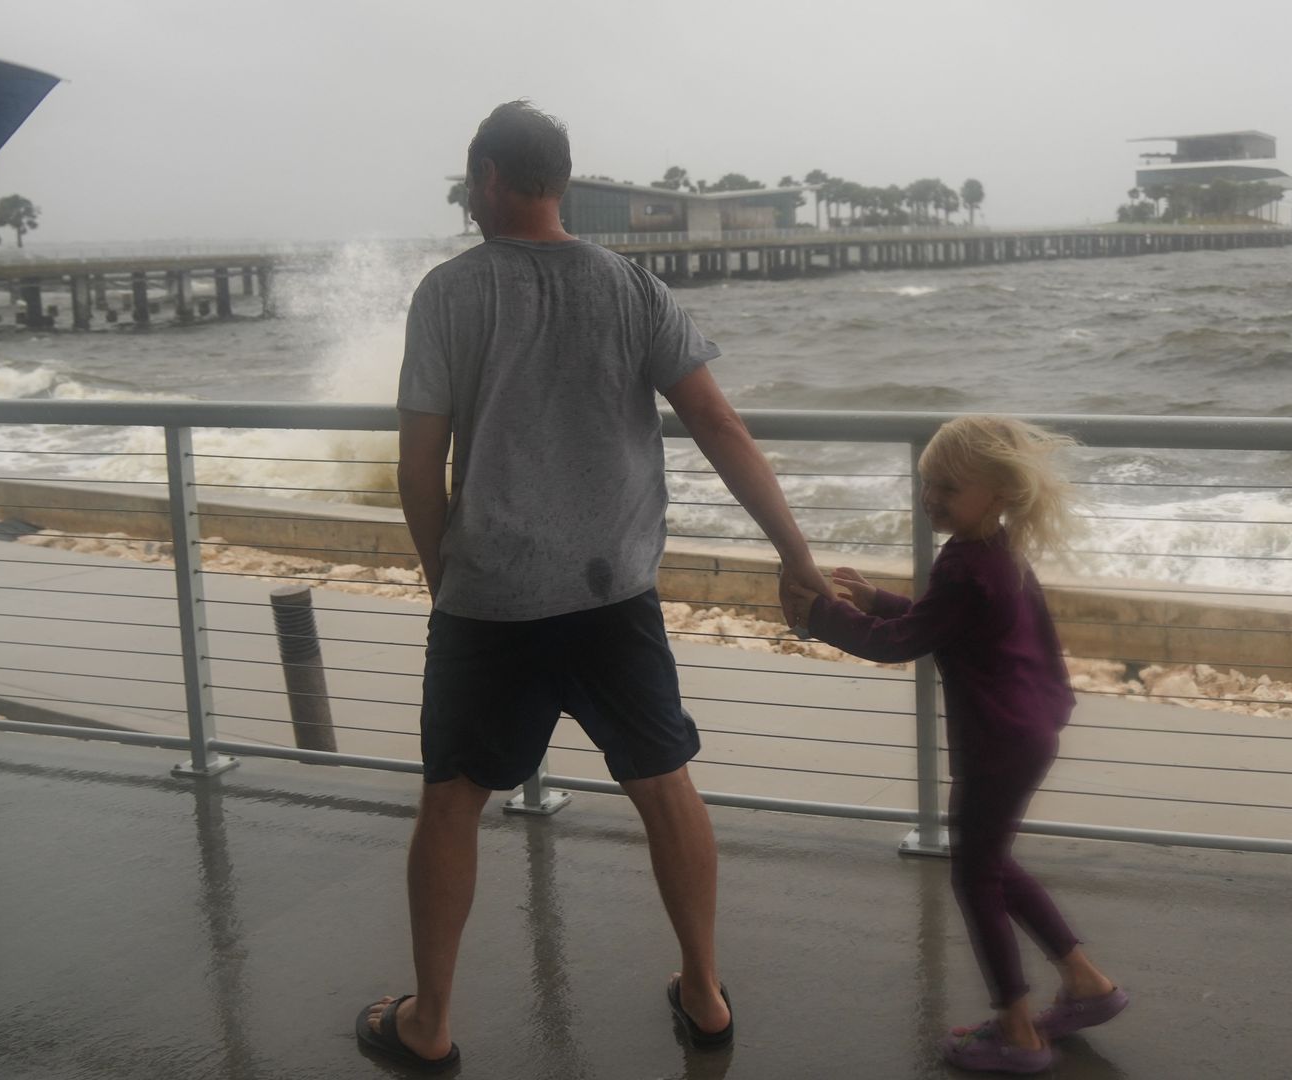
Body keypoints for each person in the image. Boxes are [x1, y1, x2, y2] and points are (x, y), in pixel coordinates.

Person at [356, 100, 833, 1073]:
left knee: (452, 801)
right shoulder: (632, 287)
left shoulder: (448, 294)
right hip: (614, 592)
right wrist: (799, 557)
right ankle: (702, 995)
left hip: (489, 600)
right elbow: (720, 426)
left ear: (491, 177)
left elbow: (419, 465)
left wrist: (444, 574)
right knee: (664, 786)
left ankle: (429, 1024)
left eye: (469, 180)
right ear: (560, 179)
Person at [788, 415, 1129, 1074]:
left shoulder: (965, 564)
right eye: (926, 484)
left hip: (996, 742)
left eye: (947, 487)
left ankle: (1018, 1032)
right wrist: (878, 597)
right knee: (994, 862)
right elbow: (948, 622)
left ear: (998, 492)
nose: (930, 499)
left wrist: (823, 615)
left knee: (976, 877)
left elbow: (904, 643)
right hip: (1029, 731)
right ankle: (1086, 983)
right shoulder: (998, 553)